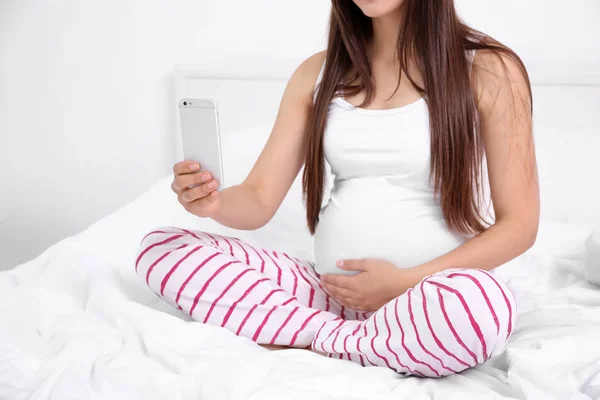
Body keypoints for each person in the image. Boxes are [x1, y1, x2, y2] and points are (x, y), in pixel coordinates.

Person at [135, 0, 539, 377]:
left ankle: (303, 339)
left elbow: (519, 224)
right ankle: (350, 342)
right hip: (330, 294)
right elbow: (258, 200)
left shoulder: (487, 69)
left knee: (482, 309)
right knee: (161, 249)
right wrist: (212, 202)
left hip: (429, 297)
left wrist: (402, 282)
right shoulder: (319, 73)